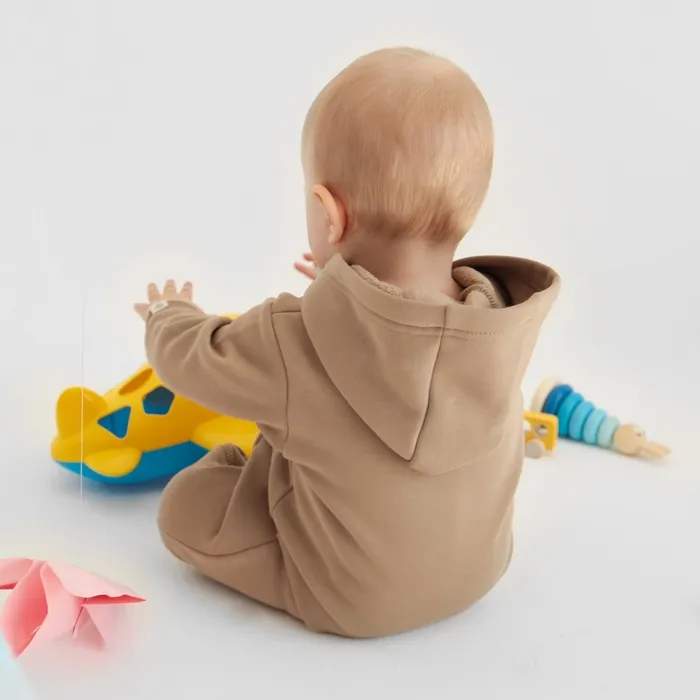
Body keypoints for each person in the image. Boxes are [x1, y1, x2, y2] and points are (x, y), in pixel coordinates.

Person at [134, 47, 560, 638]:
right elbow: (414, 345)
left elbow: (193, 360)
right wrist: (351, 297)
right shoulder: (497, 325)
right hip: (481, 571)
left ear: (329, 215)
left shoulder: (292, 338)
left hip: (345, 600)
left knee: (185, 506)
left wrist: (167, 313)